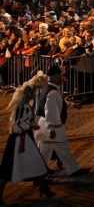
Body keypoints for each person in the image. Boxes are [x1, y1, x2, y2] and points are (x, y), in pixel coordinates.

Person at [0, 73, 55, 201]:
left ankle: (45, 188)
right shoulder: (24, 108)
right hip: (21, 139)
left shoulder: (21, 107)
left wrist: (31, 125)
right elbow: (19, 124)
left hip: (21, 138)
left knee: (35, 164)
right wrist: (30, 126)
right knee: (11, 168)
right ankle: (44, 188)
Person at [36, 65, 88, 177]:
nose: (62, 78)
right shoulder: (52, 92)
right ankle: (74, 170)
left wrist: (72, 105)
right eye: (60, 76)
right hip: (52, 125)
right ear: (54, 77)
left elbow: (59, 103)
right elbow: (50, 111)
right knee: (62, 148)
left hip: (44, 124)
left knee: (45, 151)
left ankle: (39, 173)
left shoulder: (48, 88)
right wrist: (52, 129)